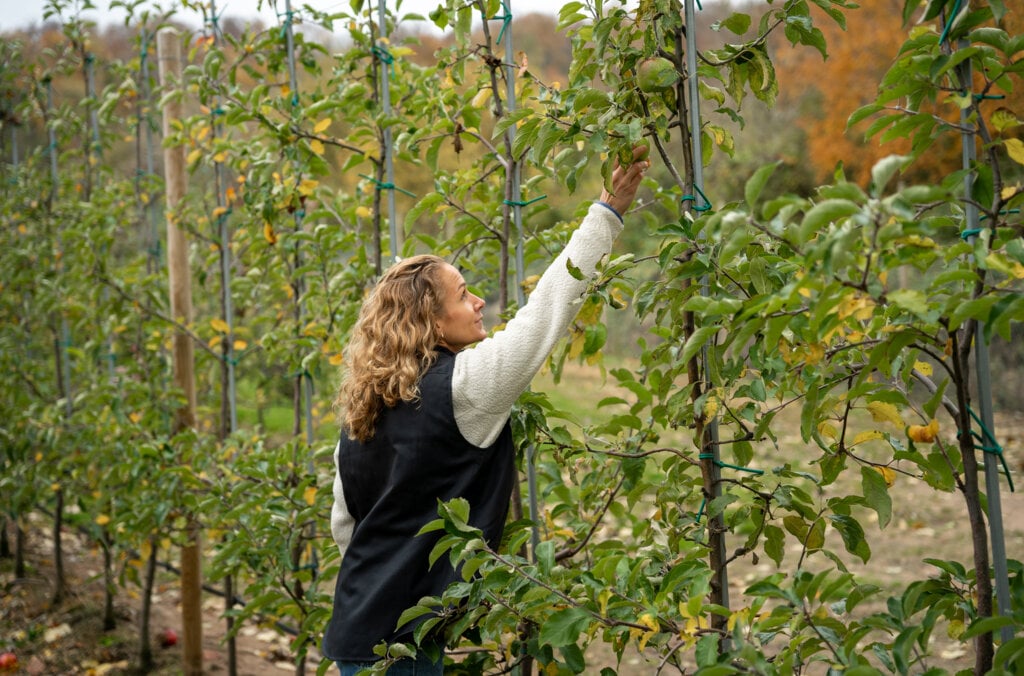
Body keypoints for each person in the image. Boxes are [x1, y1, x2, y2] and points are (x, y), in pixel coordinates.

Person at [322, 147, 648, 675]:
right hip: (405, 645)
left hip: (358, 631)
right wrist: (608, 212)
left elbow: (346, 523)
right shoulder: (466, 387)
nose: (478, 304)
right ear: (429, 320)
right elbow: (545, 312)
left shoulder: (360, 411)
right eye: (463, 294)